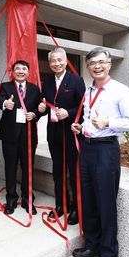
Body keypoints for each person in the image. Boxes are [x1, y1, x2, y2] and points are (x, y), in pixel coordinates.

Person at [70, 47, 129, 257]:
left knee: (106, 204)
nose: (96, 67)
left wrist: (108, 121)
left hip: (106, 152)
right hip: (87, 150)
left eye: (101, 62)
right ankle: (92, 245)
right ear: (88, 67)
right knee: (88, 201)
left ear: (109, 64)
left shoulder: (121, 91)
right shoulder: (89, 90)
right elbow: (90, 118)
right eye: (92, 64)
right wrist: (81, 127)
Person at [38, 47, 85, 225]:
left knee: (74, 172)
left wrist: (70, 113)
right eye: (53, 61)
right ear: (49, 63)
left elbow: (83, 106)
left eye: (59, 60)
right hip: (54, 134)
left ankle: (75, 207)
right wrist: (40, 110)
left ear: (66, 61)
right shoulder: (47, 82)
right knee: (58, 171)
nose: (56, 63)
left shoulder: (76, 80)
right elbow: (45, 106)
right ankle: (61, 204)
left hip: (71, 134)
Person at [0, 60, 41, 215]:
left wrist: (35, 113)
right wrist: (4, 103)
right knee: (10, 168)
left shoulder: (35, 89)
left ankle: (28, 200)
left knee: (28, 168)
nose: (21, 71)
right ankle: (11, 199)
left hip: (28, 135)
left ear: (28, 72)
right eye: (18, 69)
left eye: (24, 69)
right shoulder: (5, 87)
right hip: (10, 135)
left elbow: (41, 108)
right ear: (12, 72)